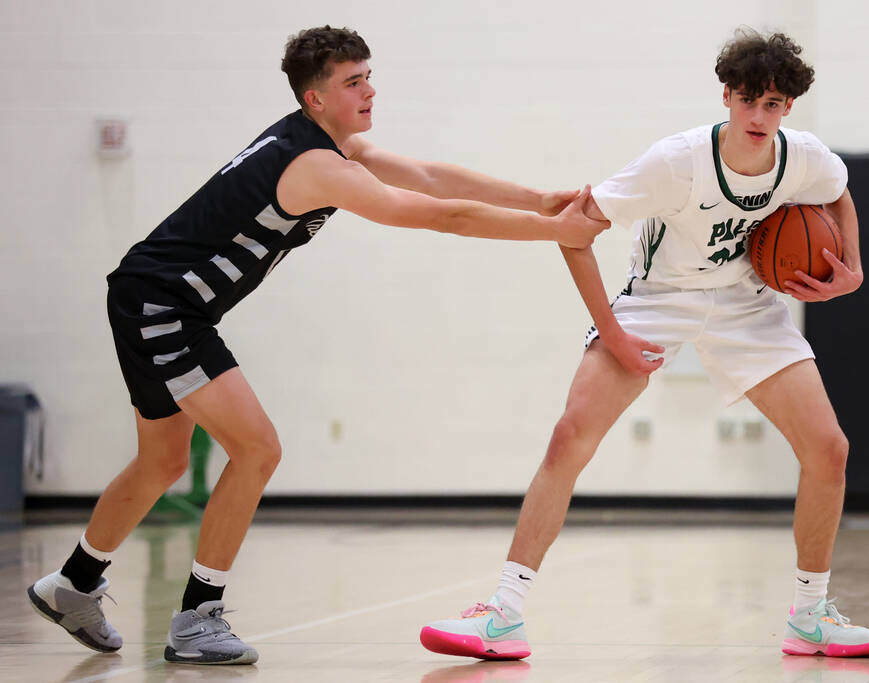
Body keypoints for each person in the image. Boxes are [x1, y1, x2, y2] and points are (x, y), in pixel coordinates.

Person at [26, 25, 608, 665]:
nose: (370, 90)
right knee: (257, 449)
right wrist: (550, 230)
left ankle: (72, 585)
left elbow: (429, 175)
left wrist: (538, 199)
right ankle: (196, 619)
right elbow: (441, 215)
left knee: (163, 463)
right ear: (315, 99)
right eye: (353, 82)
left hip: (149, 297)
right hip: (165, 307)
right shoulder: (314, 165)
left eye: (368, 76)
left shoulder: (330, 145)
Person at [421, 29, 869, 660]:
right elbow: (572, 233)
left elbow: (837, 193)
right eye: (748, 99)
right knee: (570, 436)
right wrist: (611, 333)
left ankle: (810, 617)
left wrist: (852, 268)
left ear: (788, 108)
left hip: (747, 306)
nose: (758, 115)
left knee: (829, 450)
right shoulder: (674, 162)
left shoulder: (804, 157)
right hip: (658, 301)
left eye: (773, 104)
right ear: (727, 94)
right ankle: (502, 613)